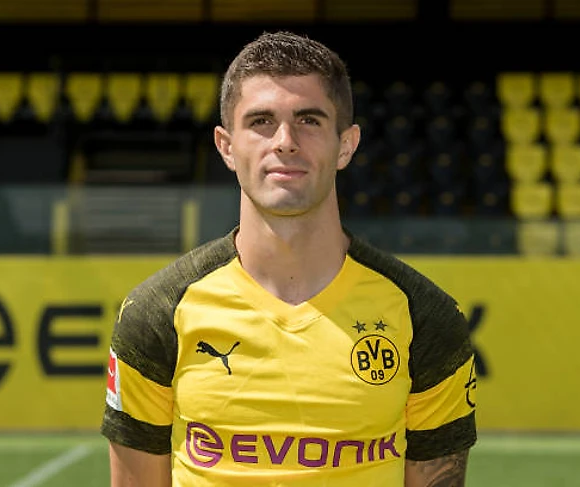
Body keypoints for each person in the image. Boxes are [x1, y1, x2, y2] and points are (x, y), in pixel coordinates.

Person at [100, 30, 477, 486]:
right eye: (261, 121)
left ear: (346, 145)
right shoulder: (156, 314)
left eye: (309, 120)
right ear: (226, 146)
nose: (285, 141)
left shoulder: (425, 317)